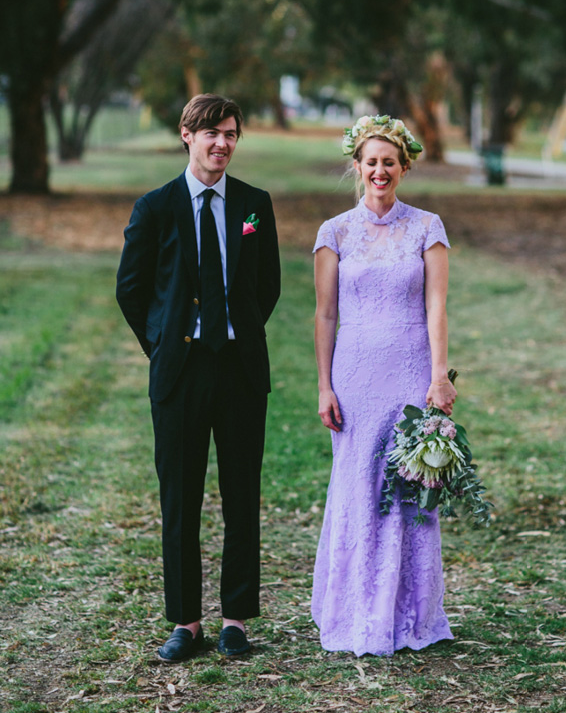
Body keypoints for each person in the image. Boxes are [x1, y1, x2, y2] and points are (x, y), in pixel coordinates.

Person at [116, 94, 280, 663]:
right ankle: (186, 622)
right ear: (187, 135)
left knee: (241, 496)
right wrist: (163, 347)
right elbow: (131, 291)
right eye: (211, 132)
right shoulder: (155, 207)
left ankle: (235, 620)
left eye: (231, 134)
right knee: (180, 499)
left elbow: (269, 286)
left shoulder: (255, 205)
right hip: (179, 375)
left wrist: (241, 329)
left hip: (239, 369)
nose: (222, 143)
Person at [311, 113, 457, 657]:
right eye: (370, 162)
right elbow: (325, 315)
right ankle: (352, 609)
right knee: (357, 487)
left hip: (410, 370)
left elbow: (437, 305)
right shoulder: (335, 232)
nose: (379, 171)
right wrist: (324, 385)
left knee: (407, 490)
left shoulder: (427, 227)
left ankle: (408, 613)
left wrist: (438, 374)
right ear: (357, 166)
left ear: (404, 167)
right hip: (353, 374)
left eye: (389, 162)